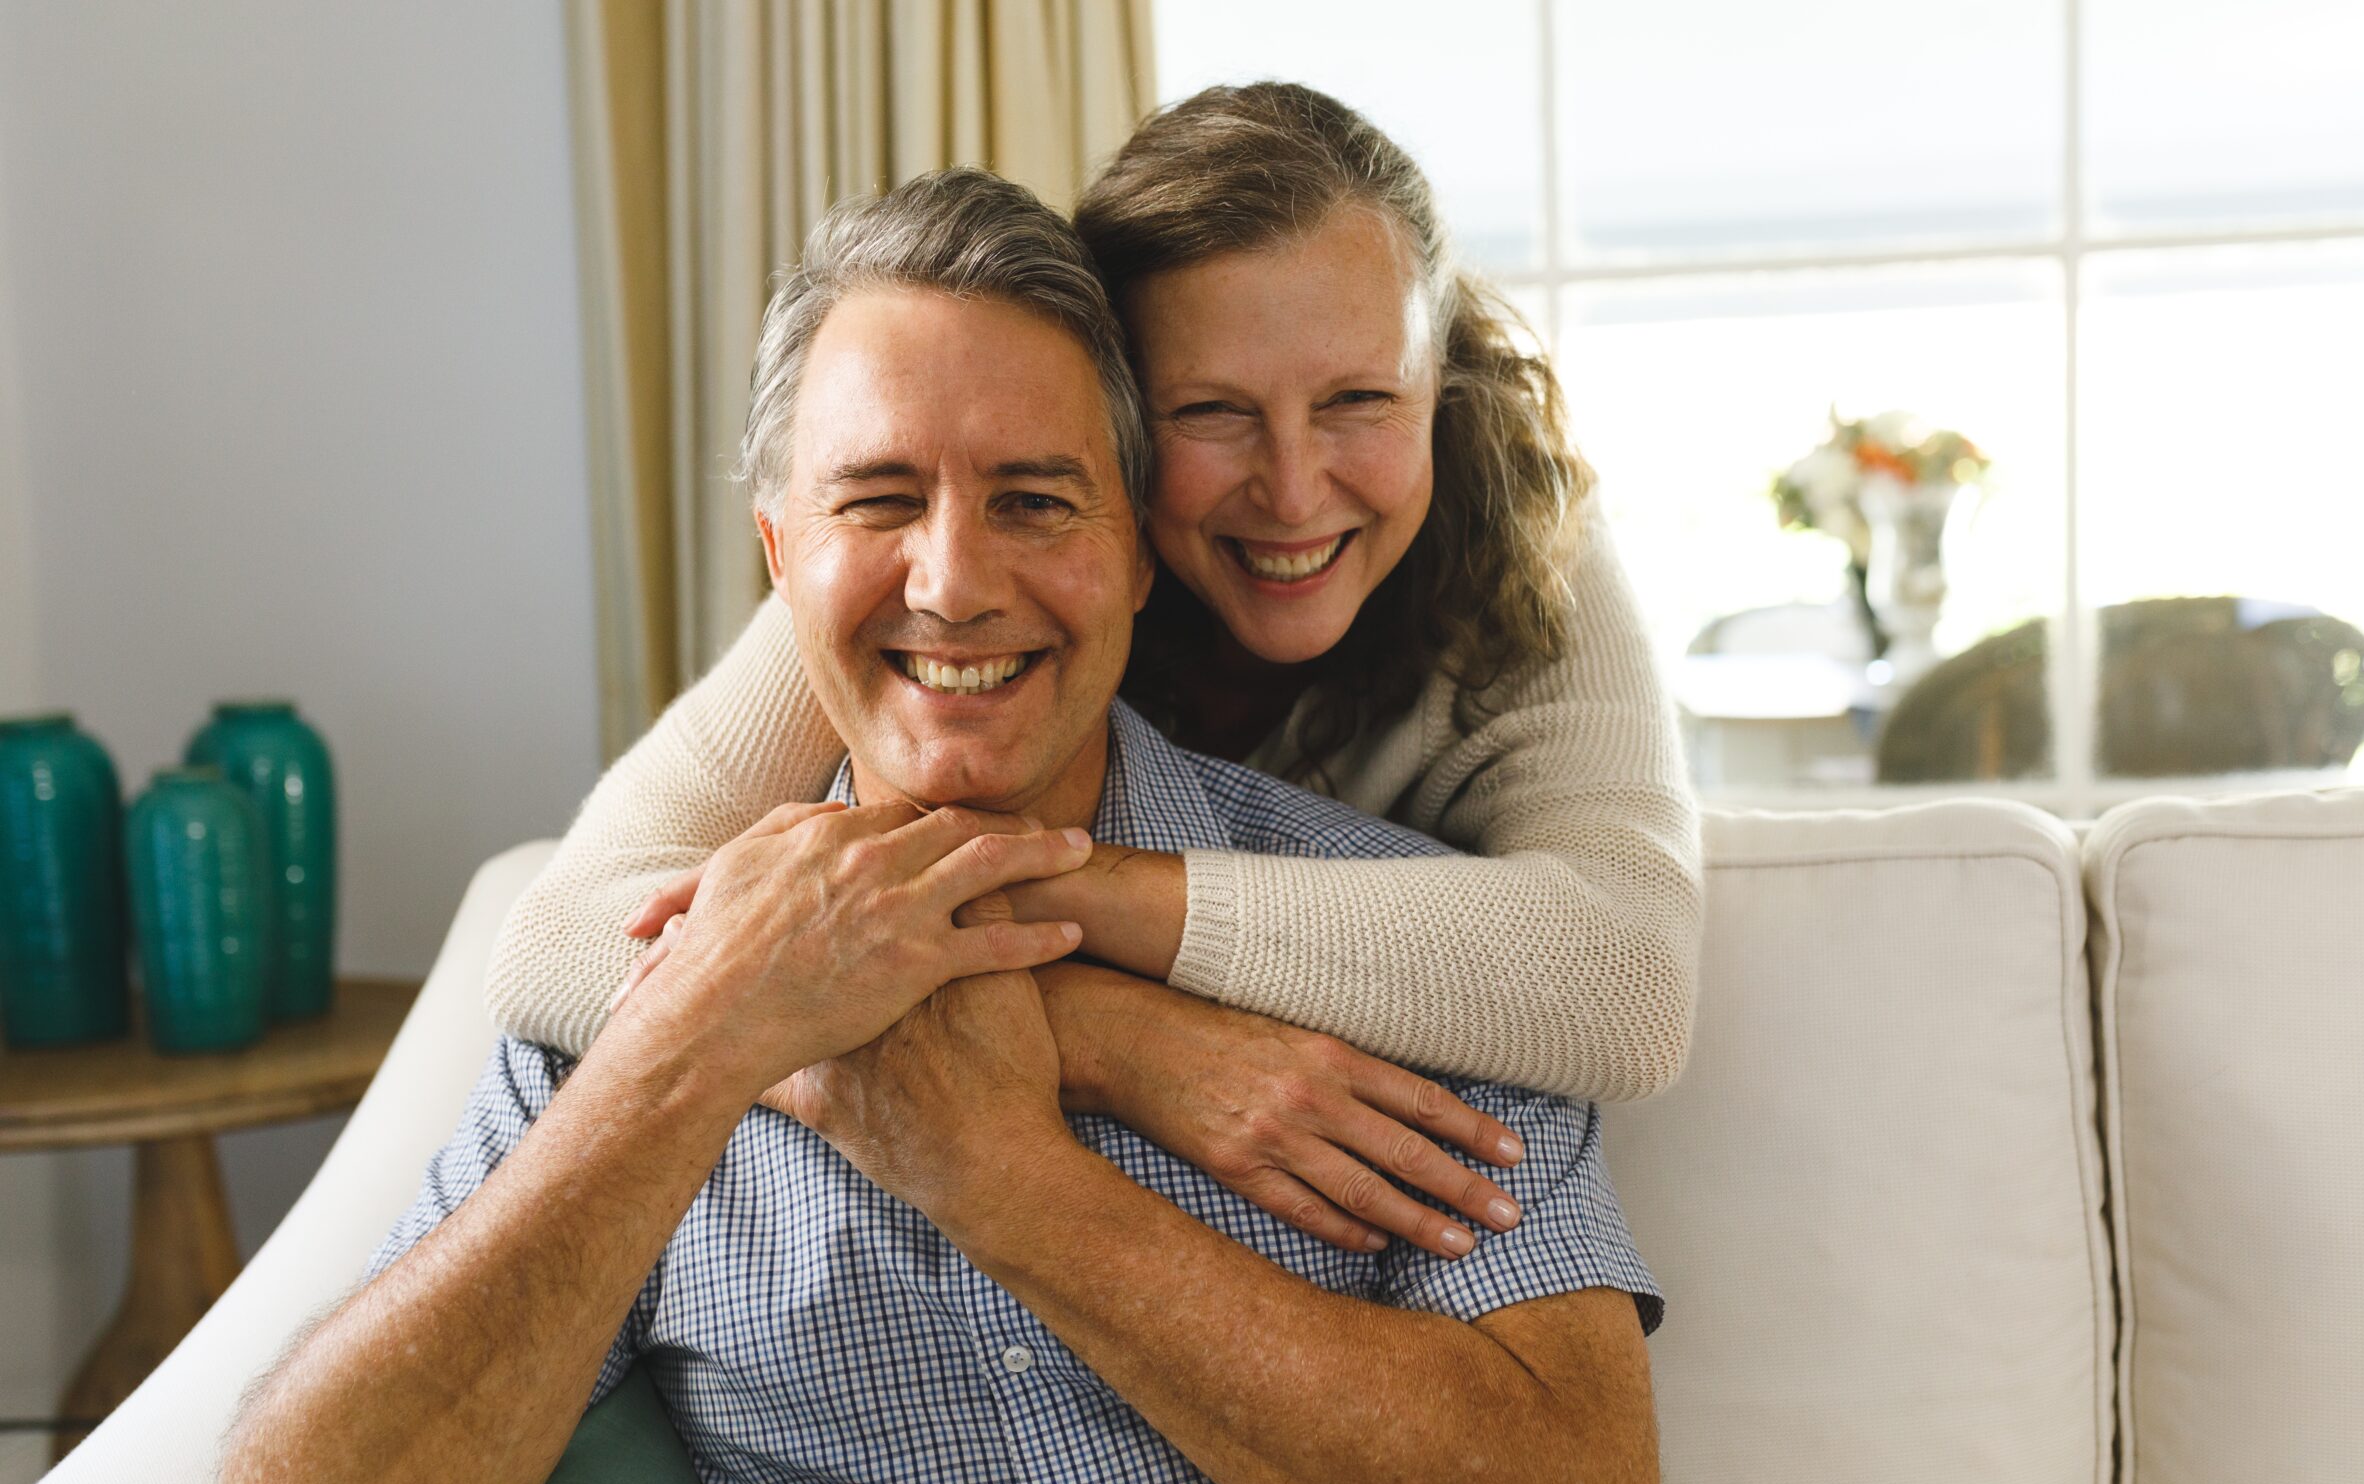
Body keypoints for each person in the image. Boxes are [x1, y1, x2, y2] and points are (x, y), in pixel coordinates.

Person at [211, 169, 1774, 1484]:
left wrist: (1005, 1170)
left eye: (1034, 500)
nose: (953, 583)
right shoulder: (631, 998)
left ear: (1139, 546)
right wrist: (701, 1036)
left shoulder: (1424, 952)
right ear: (779, 549)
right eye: (879, 499)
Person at [482, 82, 1704, 1264]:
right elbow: (555, 944)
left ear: (1438, 387)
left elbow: (1632, 980)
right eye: (1211, 411)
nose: (1292, 490)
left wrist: (1031, 903)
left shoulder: (1522, 539)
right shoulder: (967, 577)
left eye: (1359, 401)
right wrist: (1100, 1030)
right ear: (1104, 424)